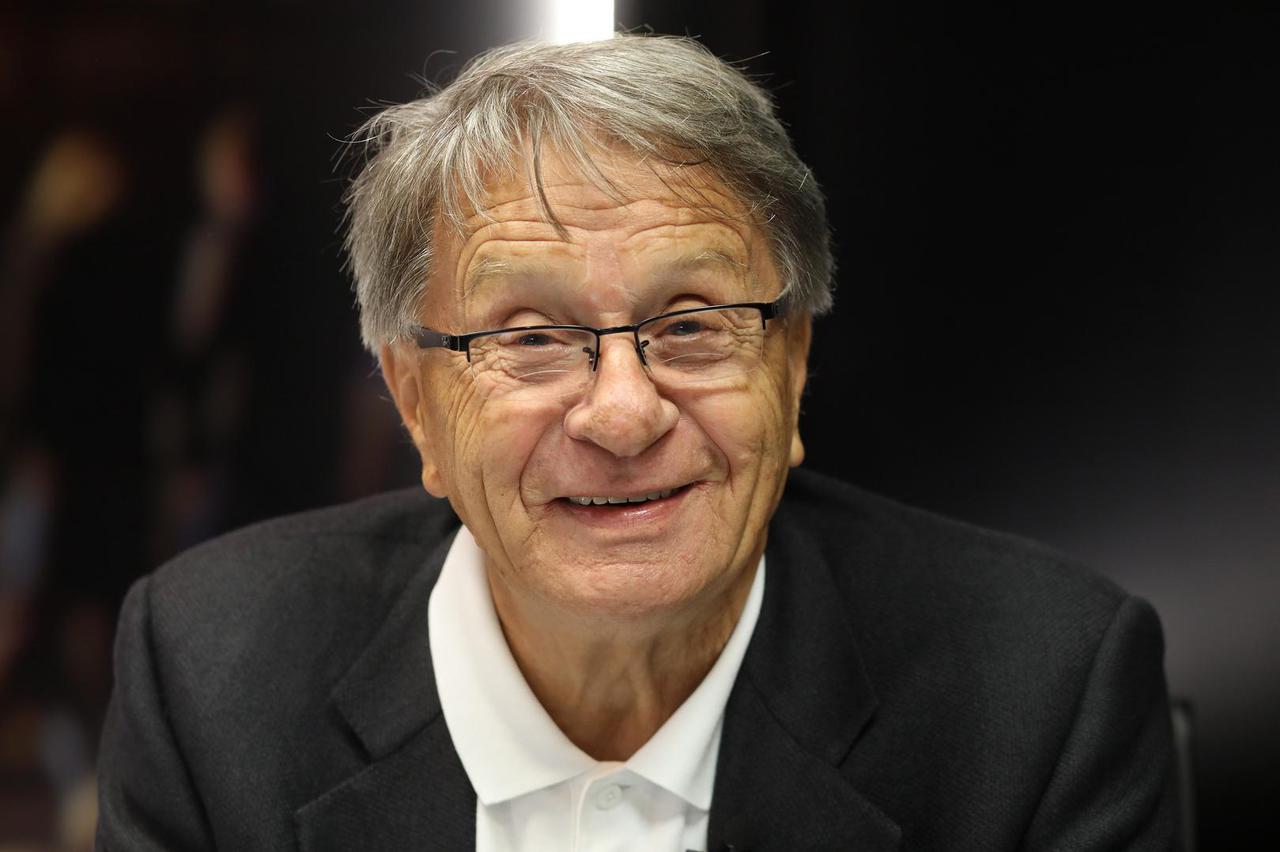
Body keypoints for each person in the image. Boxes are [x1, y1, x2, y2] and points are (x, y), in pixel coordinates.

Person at [95, 36, 1178, 851]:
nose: (622, 414)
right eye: (530, 337)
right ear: (415, 402)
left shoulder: (1041, 695)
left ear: (792, 363)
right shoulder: (211, 678)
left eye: (692, 325)